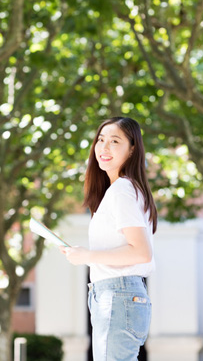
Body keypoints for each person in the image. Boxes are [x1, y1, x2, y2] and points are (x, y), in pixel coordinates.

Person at [60, 116, 157, 361]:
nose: (104, 148)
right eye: (101, 140)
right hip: (116, 295)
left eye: (115, 141)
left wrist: (87, 256)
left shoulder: (122, 190)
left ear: (132, 149)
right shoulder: (121, 190)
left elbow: (141, 252)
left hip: (118, 294)